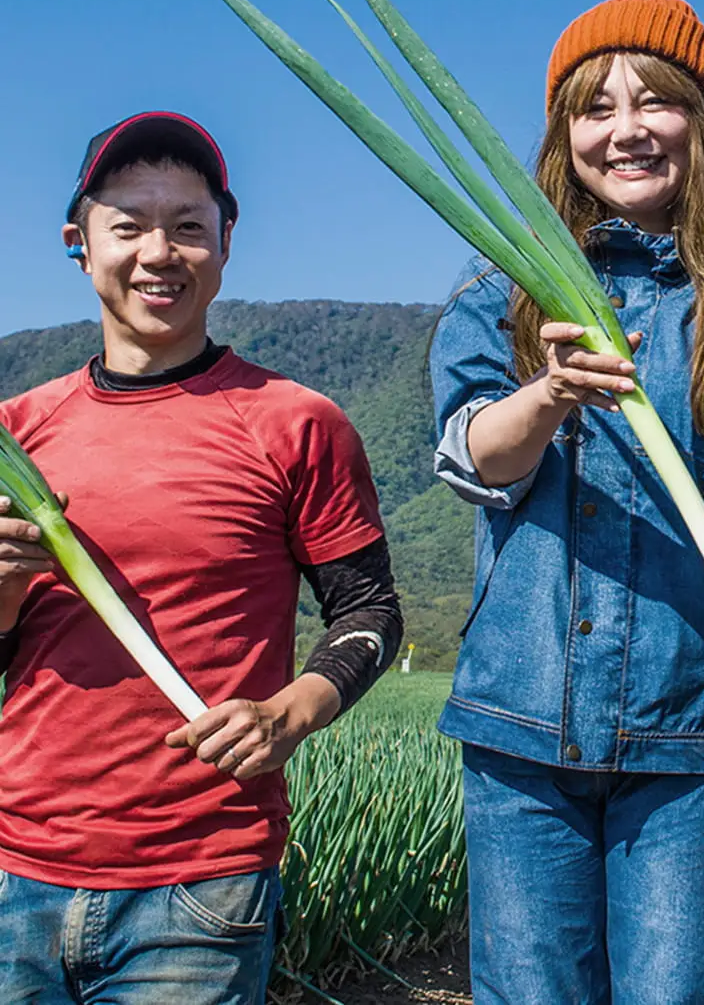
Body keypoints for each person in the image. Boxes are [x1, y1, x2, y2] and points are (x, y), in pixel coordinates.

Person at [430, 0, 704, 1004]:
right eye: (593, 107)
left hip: (691, 717)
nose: (625, 128)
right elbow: (474, 455)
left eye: (656, 100)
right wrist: (548, 393)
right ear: (561, 136)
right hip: (520, 721)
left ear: (701, 126)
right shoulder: (500, 302)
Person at [0, 112, 403, 1003]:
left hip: (202, 881)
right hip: (16, 868)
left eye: (188, 226)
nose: (159, 252)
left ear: (226, 242)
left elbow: (371, 611)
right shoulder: (17, 434)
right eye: (129, 226)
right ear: (79, 242)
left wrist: (291, 713)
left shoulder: (297, 422)